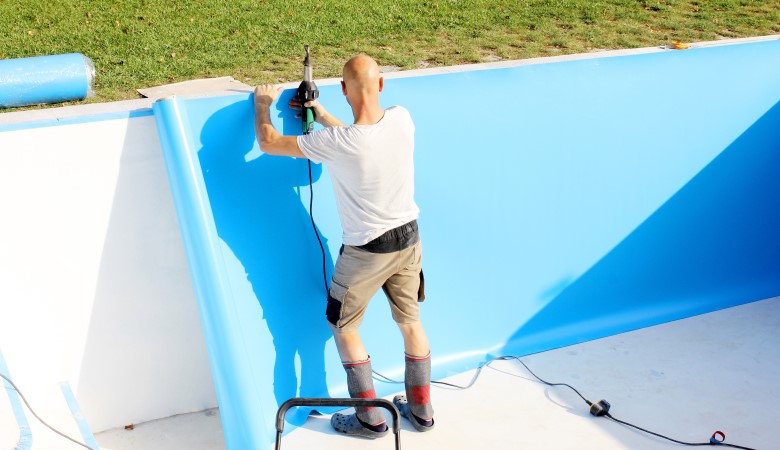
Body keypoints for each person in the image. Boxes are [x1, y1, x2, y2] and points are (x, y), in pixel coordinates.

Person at [253, 54, 434, 438]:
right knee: (411, 323)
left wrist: (263, 105)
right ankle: (422, 413)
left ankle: (369, 420)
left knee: (344, 327)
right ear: (381, 84)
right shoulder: (402, 119)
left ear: (343, 89)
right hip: (409, 241)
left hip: (367, 252)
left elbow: (268, 142)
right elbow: (359, 141)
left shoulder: (339, 142)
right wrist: (319, 113)